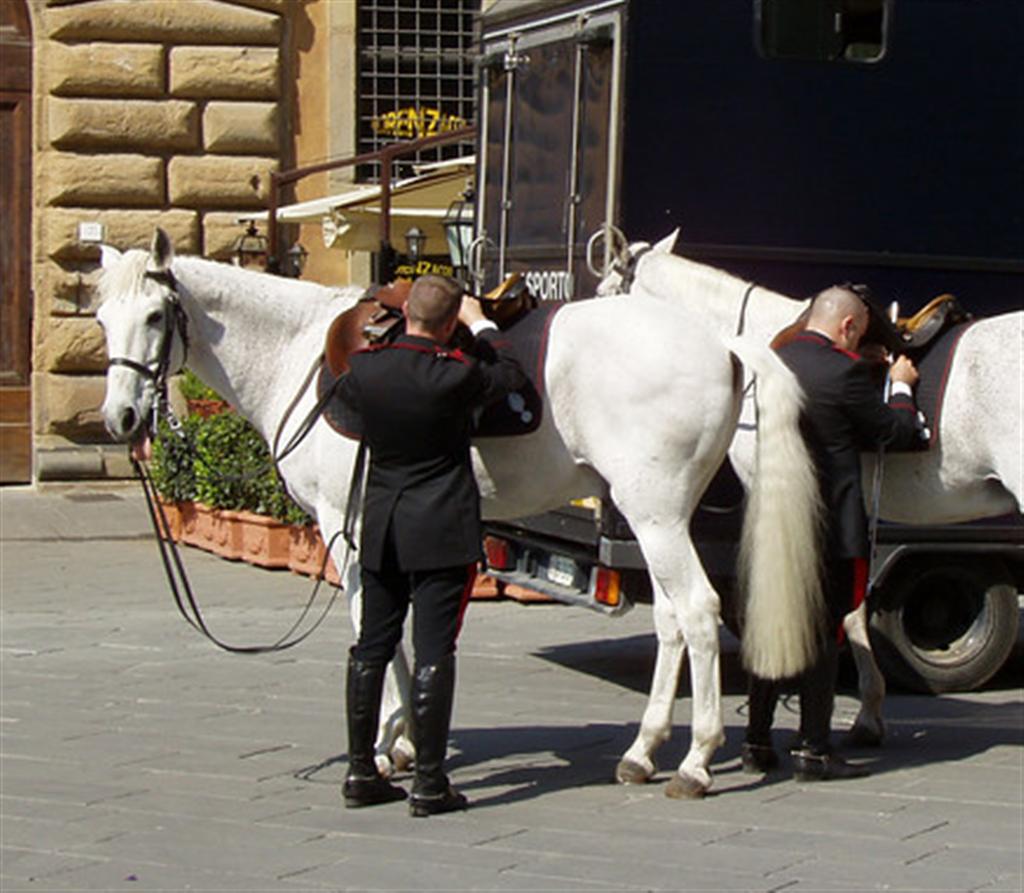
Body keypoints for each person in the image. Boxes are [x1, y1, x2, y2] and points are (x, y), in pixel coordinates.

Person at [335, 274, 526, 816]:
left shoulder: (367, 368)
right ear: (448, 325)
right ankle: (429, 783)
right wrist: (482, 323)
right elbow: (509, 375)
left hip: (382, 528)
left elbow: (344, 401)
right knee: (434, 652)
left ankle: (358, 771)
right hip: (441, 530)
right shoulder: (456, 373)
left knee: (371, 647)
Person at [743, 284, 927, 781]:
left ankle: (757, 740)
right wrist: (902, 386)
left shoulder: (774, 361)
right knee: (824, 633)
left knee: (771, 619)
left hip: (769, 518)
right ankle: (814, 749)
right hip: (827, 526)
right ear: (848, 327)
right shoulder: (844, 372)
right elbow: (894, 433)